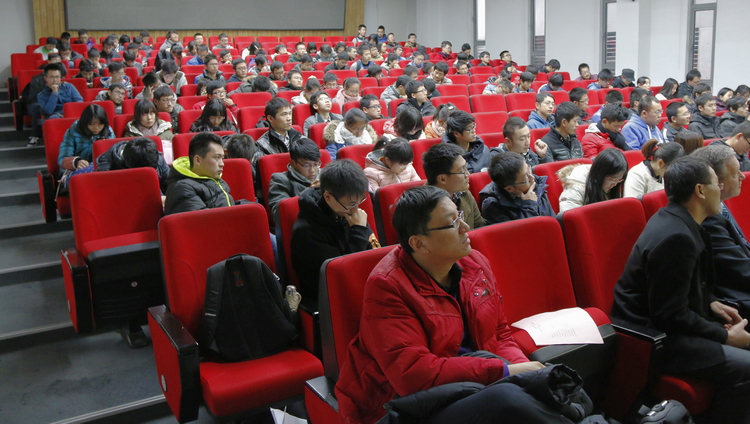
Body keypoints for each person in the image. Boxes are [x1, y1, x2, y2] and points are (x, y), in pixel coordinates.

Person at [334, 183, 565, 424]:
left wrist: (526, 373)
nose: (465, 228)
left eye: (460, 216)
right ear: (419, 244)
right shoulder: (387, 286)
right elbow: (413, 375)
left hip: (475, 382)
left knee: (556, 384)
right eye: (452, 223)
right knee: (507, 400)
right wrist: (504, 371)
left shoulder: (474, 263)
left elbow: (499, 334)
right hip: (408, 403)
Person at [611, 155, 750, 424]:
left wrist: (711, 301)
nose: (720, 190)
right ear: (700, 191)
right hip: (654, 339)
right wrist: (725, 337)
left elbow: (684, 288)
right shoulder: (676, 237)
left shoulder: (680, 219)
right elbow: (669, 315)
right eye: (716, 184)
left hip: (672, 324)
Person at [291, 159, 379, 300]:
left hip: (363, 285)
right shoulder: (306, 231)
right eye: (351, 204)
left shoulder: (348, 212)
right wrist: (359, 231)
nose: (356, 209)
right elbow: (341, 275)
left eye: (359, 201)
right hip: (330, 296)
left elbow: (375, 253)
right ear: (327, 197)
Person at [692, 144, 750, 310]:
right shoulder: (707, 219)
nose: (742, 176)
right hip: (735, 297)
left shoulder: (719, 205)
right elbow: (739, 271)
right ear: (716, 181)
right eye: (735, 173)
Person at [164, 132, 234, 215]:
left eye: (222, 158)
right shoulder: (182, 189)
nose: (222, 164)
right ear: (198, 160)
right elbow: (206, 220)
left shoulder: (213, 179)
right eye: (217, 157)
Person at [421, 143, 485, 229]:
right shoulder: (423, 206)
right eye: (462, 171)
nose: (468, 174)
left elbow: (480, 227)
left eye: (466, 168)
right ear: (442, 179)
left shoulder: (464, 193)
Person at [481, 151, 554, 224]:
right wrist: (530, 205)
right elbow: (523, 230)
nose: (532, 178)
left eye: (529, 171)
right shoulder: (493, 206)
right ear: (509, 189)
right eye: (526, 178)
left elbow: (553, 221)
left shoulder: (536, 185)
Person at [267, 137, 321, 224]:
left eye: (316, 164)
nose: (312, 170)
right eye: (306, 165)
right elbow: (278, 215)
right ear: (292, 163)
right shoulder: (280, 180)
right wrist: (308, 193)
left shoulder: (325, 175)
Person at [558, 147, 628, 213]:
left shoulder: (611, 187)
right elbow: (570, 217)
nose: (615, 184)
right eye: (612, 179)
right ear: (600, 174)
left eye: (619, 180)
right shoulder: (575, 189)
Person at [30, 64, 83, 146]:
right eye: (51, 77)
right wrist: (54, 93)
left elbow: (79, 101)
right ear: (46, 78)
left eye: (57, 77)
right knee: (53, 119)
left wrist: (70, 110)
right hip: (56, 116)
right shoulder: (41, 95)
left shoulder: (69, 87)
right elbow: (48, 110)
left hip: (72, 114)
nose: (55, 80)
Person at [58, 104, 114, 180]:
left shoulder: (108, 132)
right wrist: (75, 162)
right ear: (85, 122)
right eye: (92, 124)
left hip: (100, 171)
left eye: (100, 124)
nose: (96, 128)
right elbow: (62, 159)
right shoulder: (73, 132)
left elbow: (113, 156)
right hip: (74, 171)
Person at [96, 136, 170, 193]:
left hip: (152, 194)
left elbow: (168, 184)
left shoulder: (155, 157)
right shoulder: (106, 169)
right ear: (128, 165)